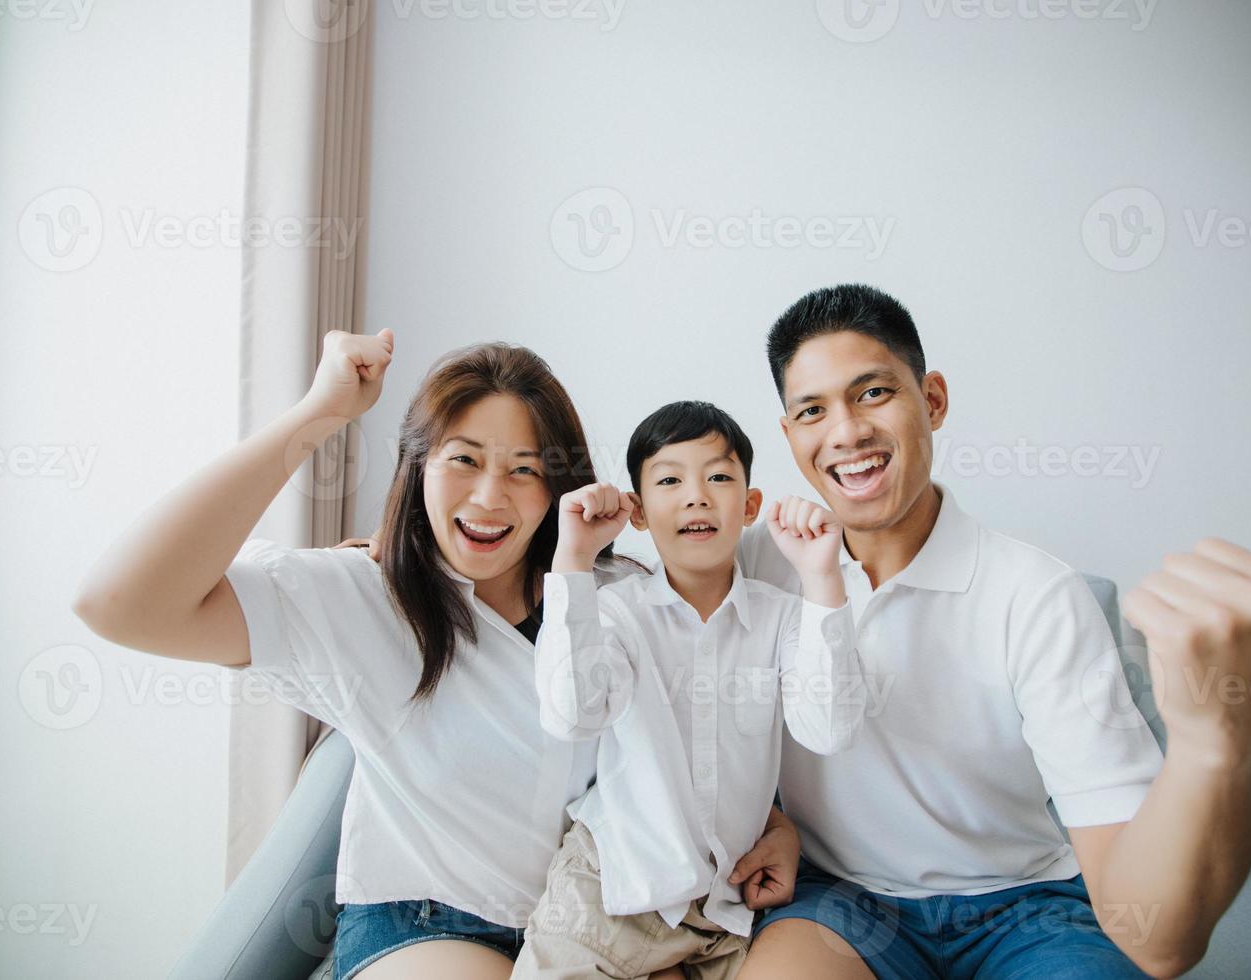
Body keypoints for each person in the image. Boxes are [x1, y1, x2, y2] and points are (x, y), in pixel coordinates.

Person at [70, 334, 784, 980]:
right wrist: (319, 413)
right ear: (418, 468)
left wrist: (781, 829)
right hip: (430, 924)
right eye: (463, 461)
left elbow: (704, 745)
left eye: (524, 471)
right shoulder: (359, 598)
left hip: (606, 923)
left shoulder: (619, 595)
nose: (488, 497)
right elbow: (119, 603)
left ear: (559, 489)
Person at [725, 284, 1251, 980]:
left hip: (1025, 908)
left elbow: (1159, 943)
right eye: (813, 410)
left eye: (873, 393)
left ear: (932, 400)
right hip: (840, 904)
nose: (845, 432)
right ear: (789, 436)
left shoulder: (1038, 596)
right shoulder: (754, 564)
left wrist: (1216, 741)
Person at [511, 401, 864, 979]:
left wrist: (822, 576)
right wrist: (573, 555)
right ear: (641, 513)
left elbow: (829, 729)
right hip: (611, 890)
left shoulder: (783, 617)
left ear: (749, 507)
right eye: (670, 480)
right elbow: (572, 716)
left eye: (719, 477)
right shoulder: (618, 613)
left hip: (722, 906)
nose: (697, 495)